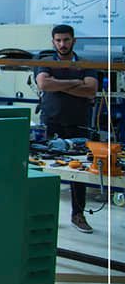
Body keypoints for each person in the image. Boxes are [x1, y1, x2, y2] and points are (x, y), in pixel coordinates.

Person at [34, 24, 98, 234]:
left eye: (66, 40)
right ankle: (43, 213)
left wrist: (58, 83)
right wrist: (75, 82)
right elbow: (44, 85)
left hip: (78, 124)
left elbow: (90, 89)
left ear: (74, 41)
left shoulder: (86, 64)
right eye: (58, 40)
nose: (62, 44)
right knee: (44, 169)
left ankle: (78, 215)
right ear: (53, 42)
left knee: (79, 170)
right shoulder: (45, 62)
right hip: (51, 122)